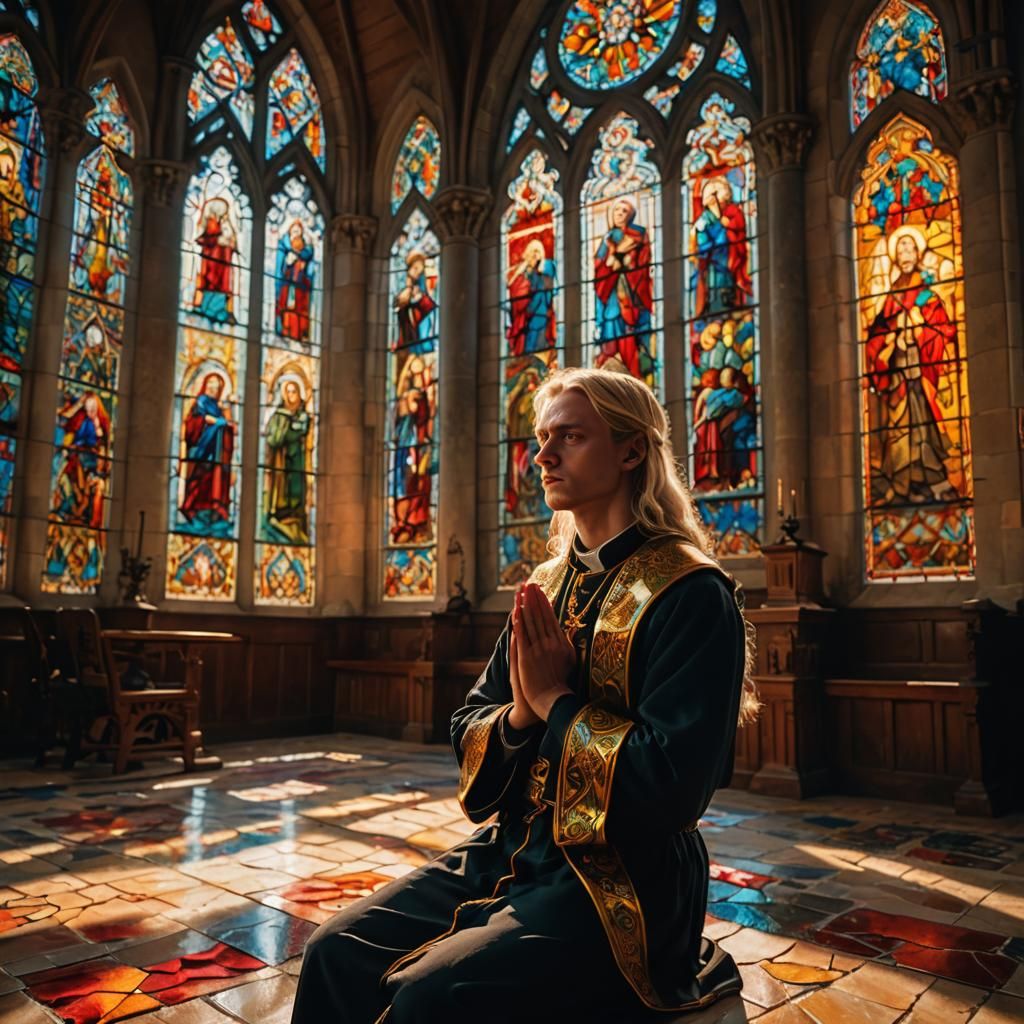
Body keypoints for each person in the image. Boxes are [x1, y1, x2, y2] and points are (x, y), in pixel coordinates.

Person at [292, 366, 758, 1024]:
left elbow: (676, 784)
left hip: (626, 879)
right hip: (516, 850)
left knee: (431, 998)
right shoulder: (548, 583)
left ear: (630, 452)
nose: (542, 455)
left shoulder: (692, 593)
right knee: (333, 951)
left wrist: (556, 702)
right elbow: (470, 722)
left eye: (569, 437)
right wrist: (518, 710)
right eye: (542, 437)